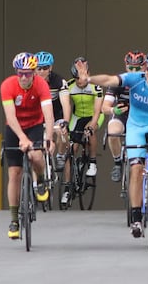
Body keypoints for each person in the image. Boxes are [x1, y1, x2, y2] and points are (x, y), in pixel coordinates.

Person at [74, 50, 148, 238]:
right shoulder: (134, 78)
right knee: (136, 170)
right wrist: (88, 79)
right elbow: (108, 80)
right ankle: (136, 218)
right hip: (135, 127)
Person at [1, 52, 55, 239]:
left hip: (34, 126)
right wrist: (22, 138)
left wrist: (50, 137)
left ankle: (40, 182)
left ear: (34, 73)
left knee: (36, 156)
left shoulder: (42, 85)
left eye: (28, 73)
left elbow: (48, 113)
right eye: (20, 73)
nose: (24, 77)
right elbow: (10, 116)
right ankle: (14, 219)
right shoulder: (7, 85)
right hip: (14, 128)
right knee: (14, 173)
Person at [59, 57, 104, 206]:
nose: (79, 82)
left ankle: (92, 162)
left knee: (89, 132)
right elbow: (67, 105)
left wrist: (92, 125)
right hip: (77, 117)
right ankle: (67, 187)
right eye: (76, 79)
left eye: (81, 79)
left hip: (94, 115)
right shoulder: (69, 86)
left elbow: (98, 111)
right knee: (71, 149)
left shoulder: (96, 87)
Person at [101, 50, 146, 182]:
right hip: (122, 114)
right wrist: (114, 110)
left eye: (137, 68)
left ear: (144, 67)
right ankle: (117, 163)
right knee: (113, 133)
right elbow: (104, 108)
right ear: (126, 66)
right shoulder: (118, 81)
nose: (133, 71)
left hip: (142, 116)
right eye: (130, 68)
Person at [34, 51, 71, 170]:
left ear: (50, 68)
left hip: (56, 114)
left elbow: (66, 104)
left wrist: (66, 121)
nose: (41, 71)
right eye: (38, 68)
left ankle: (60, 155)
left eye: (45, 68)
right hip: (38, 115)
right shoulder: (31, 82)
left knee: (62, 132)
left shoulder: (59, 81)